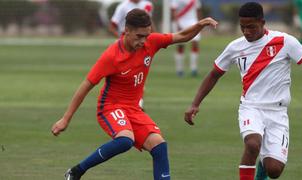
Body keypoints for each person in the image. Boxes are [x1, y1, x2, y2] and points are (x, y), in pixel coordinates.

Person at [51, 9, 218, 180]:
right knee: (125, 140)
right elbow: (86, 85)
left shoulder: (150, 42)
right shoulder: (112, 56)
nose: (143, 41)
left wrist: (199, 25)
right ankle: (77, 171)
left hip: (133, 109)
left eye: (147, 35)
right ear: (126, 31)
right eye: (139, 36)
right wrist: (66, 118)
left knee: (159, 146)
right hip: (110, 108)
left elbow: (182, 36)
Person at [184, 2, 302, 180]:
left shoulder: (285, 41)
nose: (246, 31)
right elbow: (214, 74)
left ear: (262, 22)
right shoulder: (235, 47)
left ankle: (263, 167)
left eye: (251, 27)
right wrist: (195, 104)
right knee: (252, 143)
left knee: (274, 171)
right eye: (242, 27)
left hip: (278, 112)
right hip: (251, 107)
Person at [171, 0, 202, 77]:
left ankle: (194, 69)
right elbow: (173, 10)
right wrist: (177, 23)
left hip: (193, 22)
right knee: (180, 46)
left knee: (195, 43)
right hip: (181, 22)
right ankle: (179, 70)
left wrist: (200, 24)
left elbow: (198, 10)